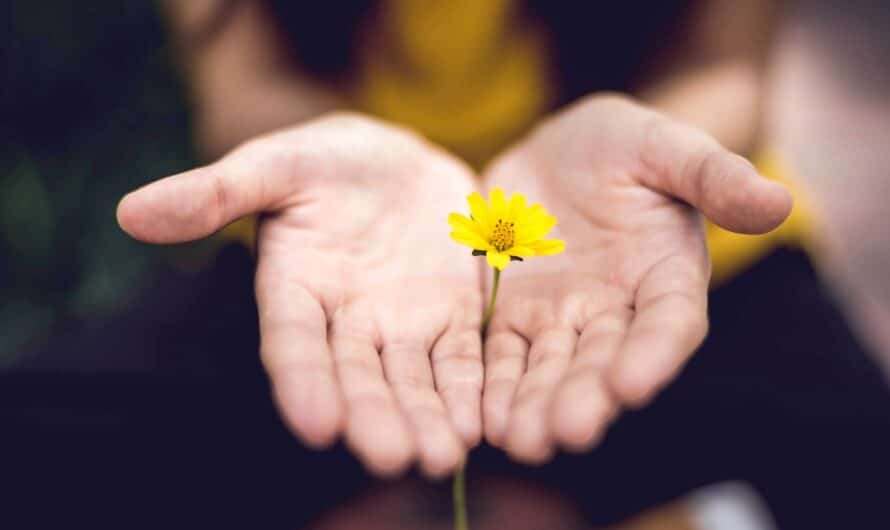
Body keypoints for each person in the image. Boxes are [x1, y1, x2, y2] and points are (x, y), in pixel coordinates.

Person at [117, 0, 791, 477]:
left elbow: (725, 68)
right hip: (340, 252)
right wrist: (320, 150)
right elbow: (243, 86)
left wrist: (663, 152)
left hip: (638, 243)